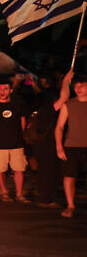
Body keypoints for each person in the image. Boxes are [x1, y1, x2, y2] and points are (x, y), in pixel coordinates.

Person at [29, 71, 73, 208]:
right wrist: (66, 81)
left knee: (43, 172)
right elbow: (64, 98)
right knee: (49, 172)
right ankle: (47, 199)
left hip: (39, 146)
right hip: (48, 146)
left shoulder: (38, 109)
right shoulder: (48, 109)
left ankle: (44, 194)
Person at [0, 81, 29, 202]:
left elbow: (23, 121)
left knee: (19, 169)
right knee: (0, 169)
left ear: (11, 90)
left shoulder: (18, 104)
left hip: (16, 143)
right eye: (0, 89)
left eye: (5, 89)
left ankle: (19, 194)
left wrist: (20, 136)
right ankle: (4, 192)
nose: (2, 92)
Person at [55, 73, 87, 218]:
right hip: (72, 145)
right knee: (69, 176)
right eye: (76, 86)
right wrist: (59, 146)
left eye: (82, 86)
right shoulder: (68, 104)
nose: (78, 89)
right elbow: (59, 127)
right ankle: (70, 205)